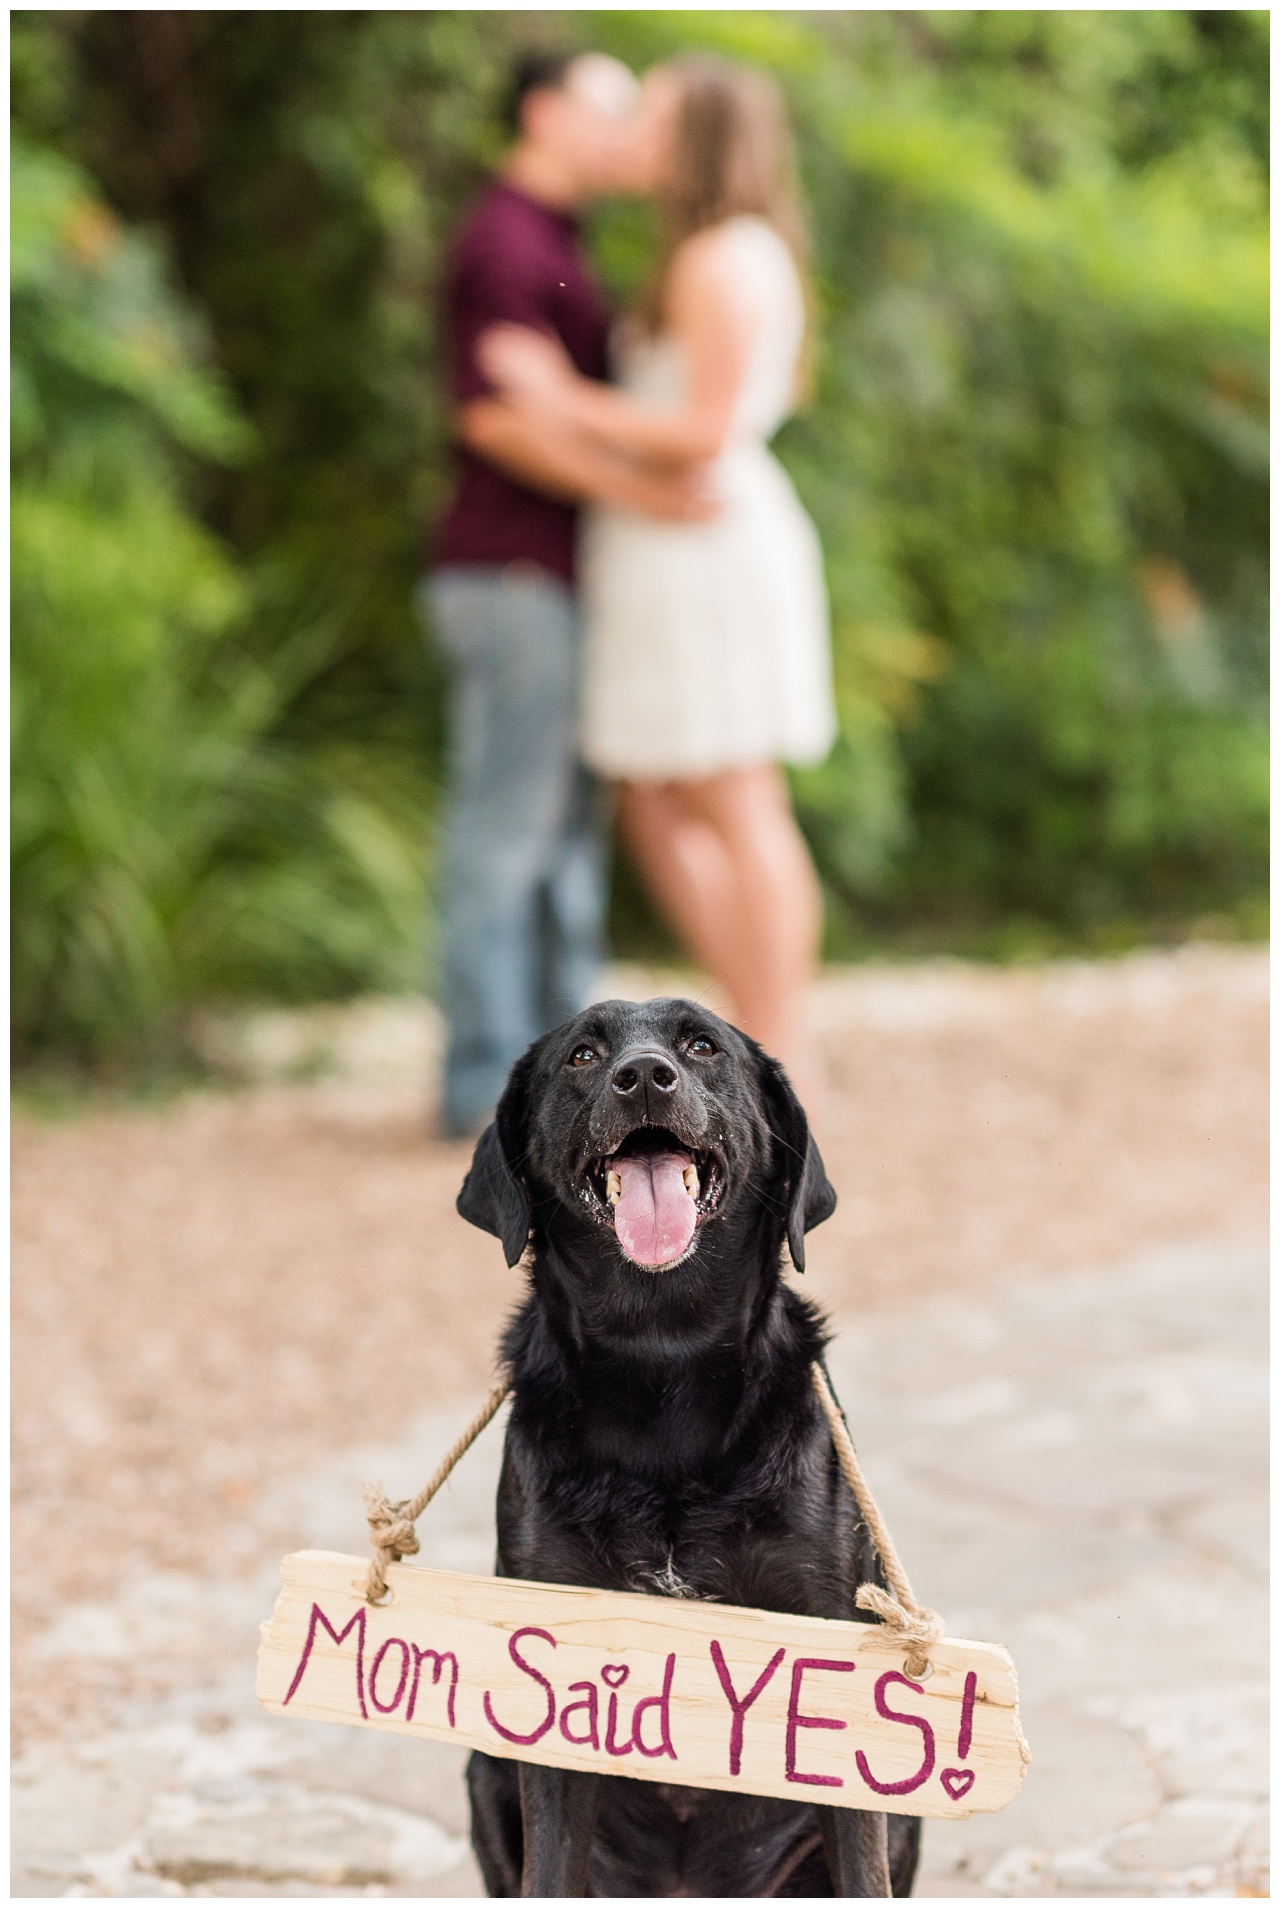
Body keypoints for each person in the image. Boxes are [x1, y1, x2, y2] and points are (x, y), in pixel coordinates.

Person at [478, 57, 836, 1081]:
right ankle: (760, 1028)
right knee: (659, 798)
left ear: (699, 139)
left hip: (706, 544)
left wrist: (555, 396)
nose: (630, 131)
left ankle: (777, 1040)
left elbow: (702, 428)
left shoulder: (717, 258)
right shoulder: (705, 251)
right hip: (672, 546)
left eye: (653, 116)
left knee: (734, 795)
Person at [425, 51, 706, 1139]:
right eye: (609, 108)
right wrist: (638, 487)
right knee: (506, 831)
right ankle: (482, 1084)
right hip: (507, 573)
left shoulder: (561, 240)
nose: (625, 130)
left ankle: (556, 1078)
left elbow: (550, 403)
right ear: (542, 112)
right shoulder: (503, 239)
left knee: (559, 837)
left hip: (553, 577)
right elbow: (493, 419)